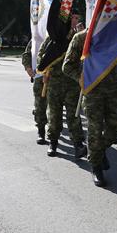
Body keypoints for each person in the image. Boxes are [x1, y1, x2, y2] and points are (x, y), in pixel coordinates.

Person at [62, 27, 117, 187]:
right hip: (92, 93)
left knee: (115, 130)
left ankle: (98, 150)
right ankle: (96, 167)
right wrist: (80, 77)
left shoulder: (115, 34)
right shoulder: (81, 37)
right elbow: (67, 66)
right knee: (95, 131)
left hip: (114, 91)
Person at [41, 14, 87, 159]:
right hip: (54, 83)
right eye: (71, 19)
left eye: (75, 19)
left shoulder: (78, 37)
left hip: (72, 84)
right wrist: (44, 69)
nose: (73, 21)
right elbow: (41, 56)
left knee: (74, 116)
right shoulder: (52, 39)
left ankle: (78, 144)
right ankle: (53, 142)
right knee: (54, 115)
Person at [22, 39, 48, 145]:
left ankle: (54, 135)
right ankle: (41, 131)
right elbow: (27, 54)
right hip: (39, 76)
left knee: (56, 108)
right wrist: (28, 67)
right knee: (40, 105)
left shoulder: (62, 34)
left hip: (57, 78)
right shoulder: (37, 35)